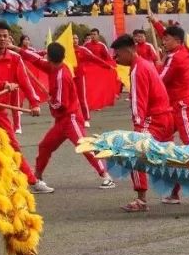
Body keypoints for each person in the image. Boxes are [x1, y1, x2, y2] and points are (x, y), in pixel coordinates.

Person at [14, 43, 115, 190]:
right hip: (61, 120)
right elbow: (36, 60)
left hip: (71, 118)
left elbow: (61, 104)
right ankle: (38, 177)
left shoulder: (62, 75)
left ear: (49, 57)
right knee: (45, 146)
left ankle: (106, 176)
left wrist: (48, 102)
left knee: (84, 146)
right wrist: (17, 49)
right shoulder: (53, 67)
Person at [110, 34, 176, 212]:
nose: (116, 58)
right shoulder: (146, 65)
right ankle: (175, 192)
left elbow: (138, 102)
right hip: (166, 117)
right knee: (169, 157)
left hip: (154, 119)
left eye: (117, 54)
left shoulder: (137, 69)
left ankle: (141, 199)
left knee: (133, 153)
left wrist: (138, 128)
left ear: (128, 50)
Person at [0, 22, 45, 191]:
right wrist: (3, 85)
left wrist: (34, 103)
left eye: (5, 36)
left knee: (12, 145)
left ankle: (32, 181)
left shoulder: (15, 58)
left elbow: (25, 82)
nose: (2, 39)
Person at [158, 26, 189, 148]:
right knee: (164, 135)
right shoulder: (181, 51)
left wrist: (158, 65)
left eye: (167, 40)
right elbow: (168, 33)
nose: (164, 42)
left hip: (181, 104)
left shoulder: (175, 57)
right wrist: (155, 22)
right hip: (174, 104)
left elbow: (160, 80)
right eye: (163, 39)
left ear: (178, 41)